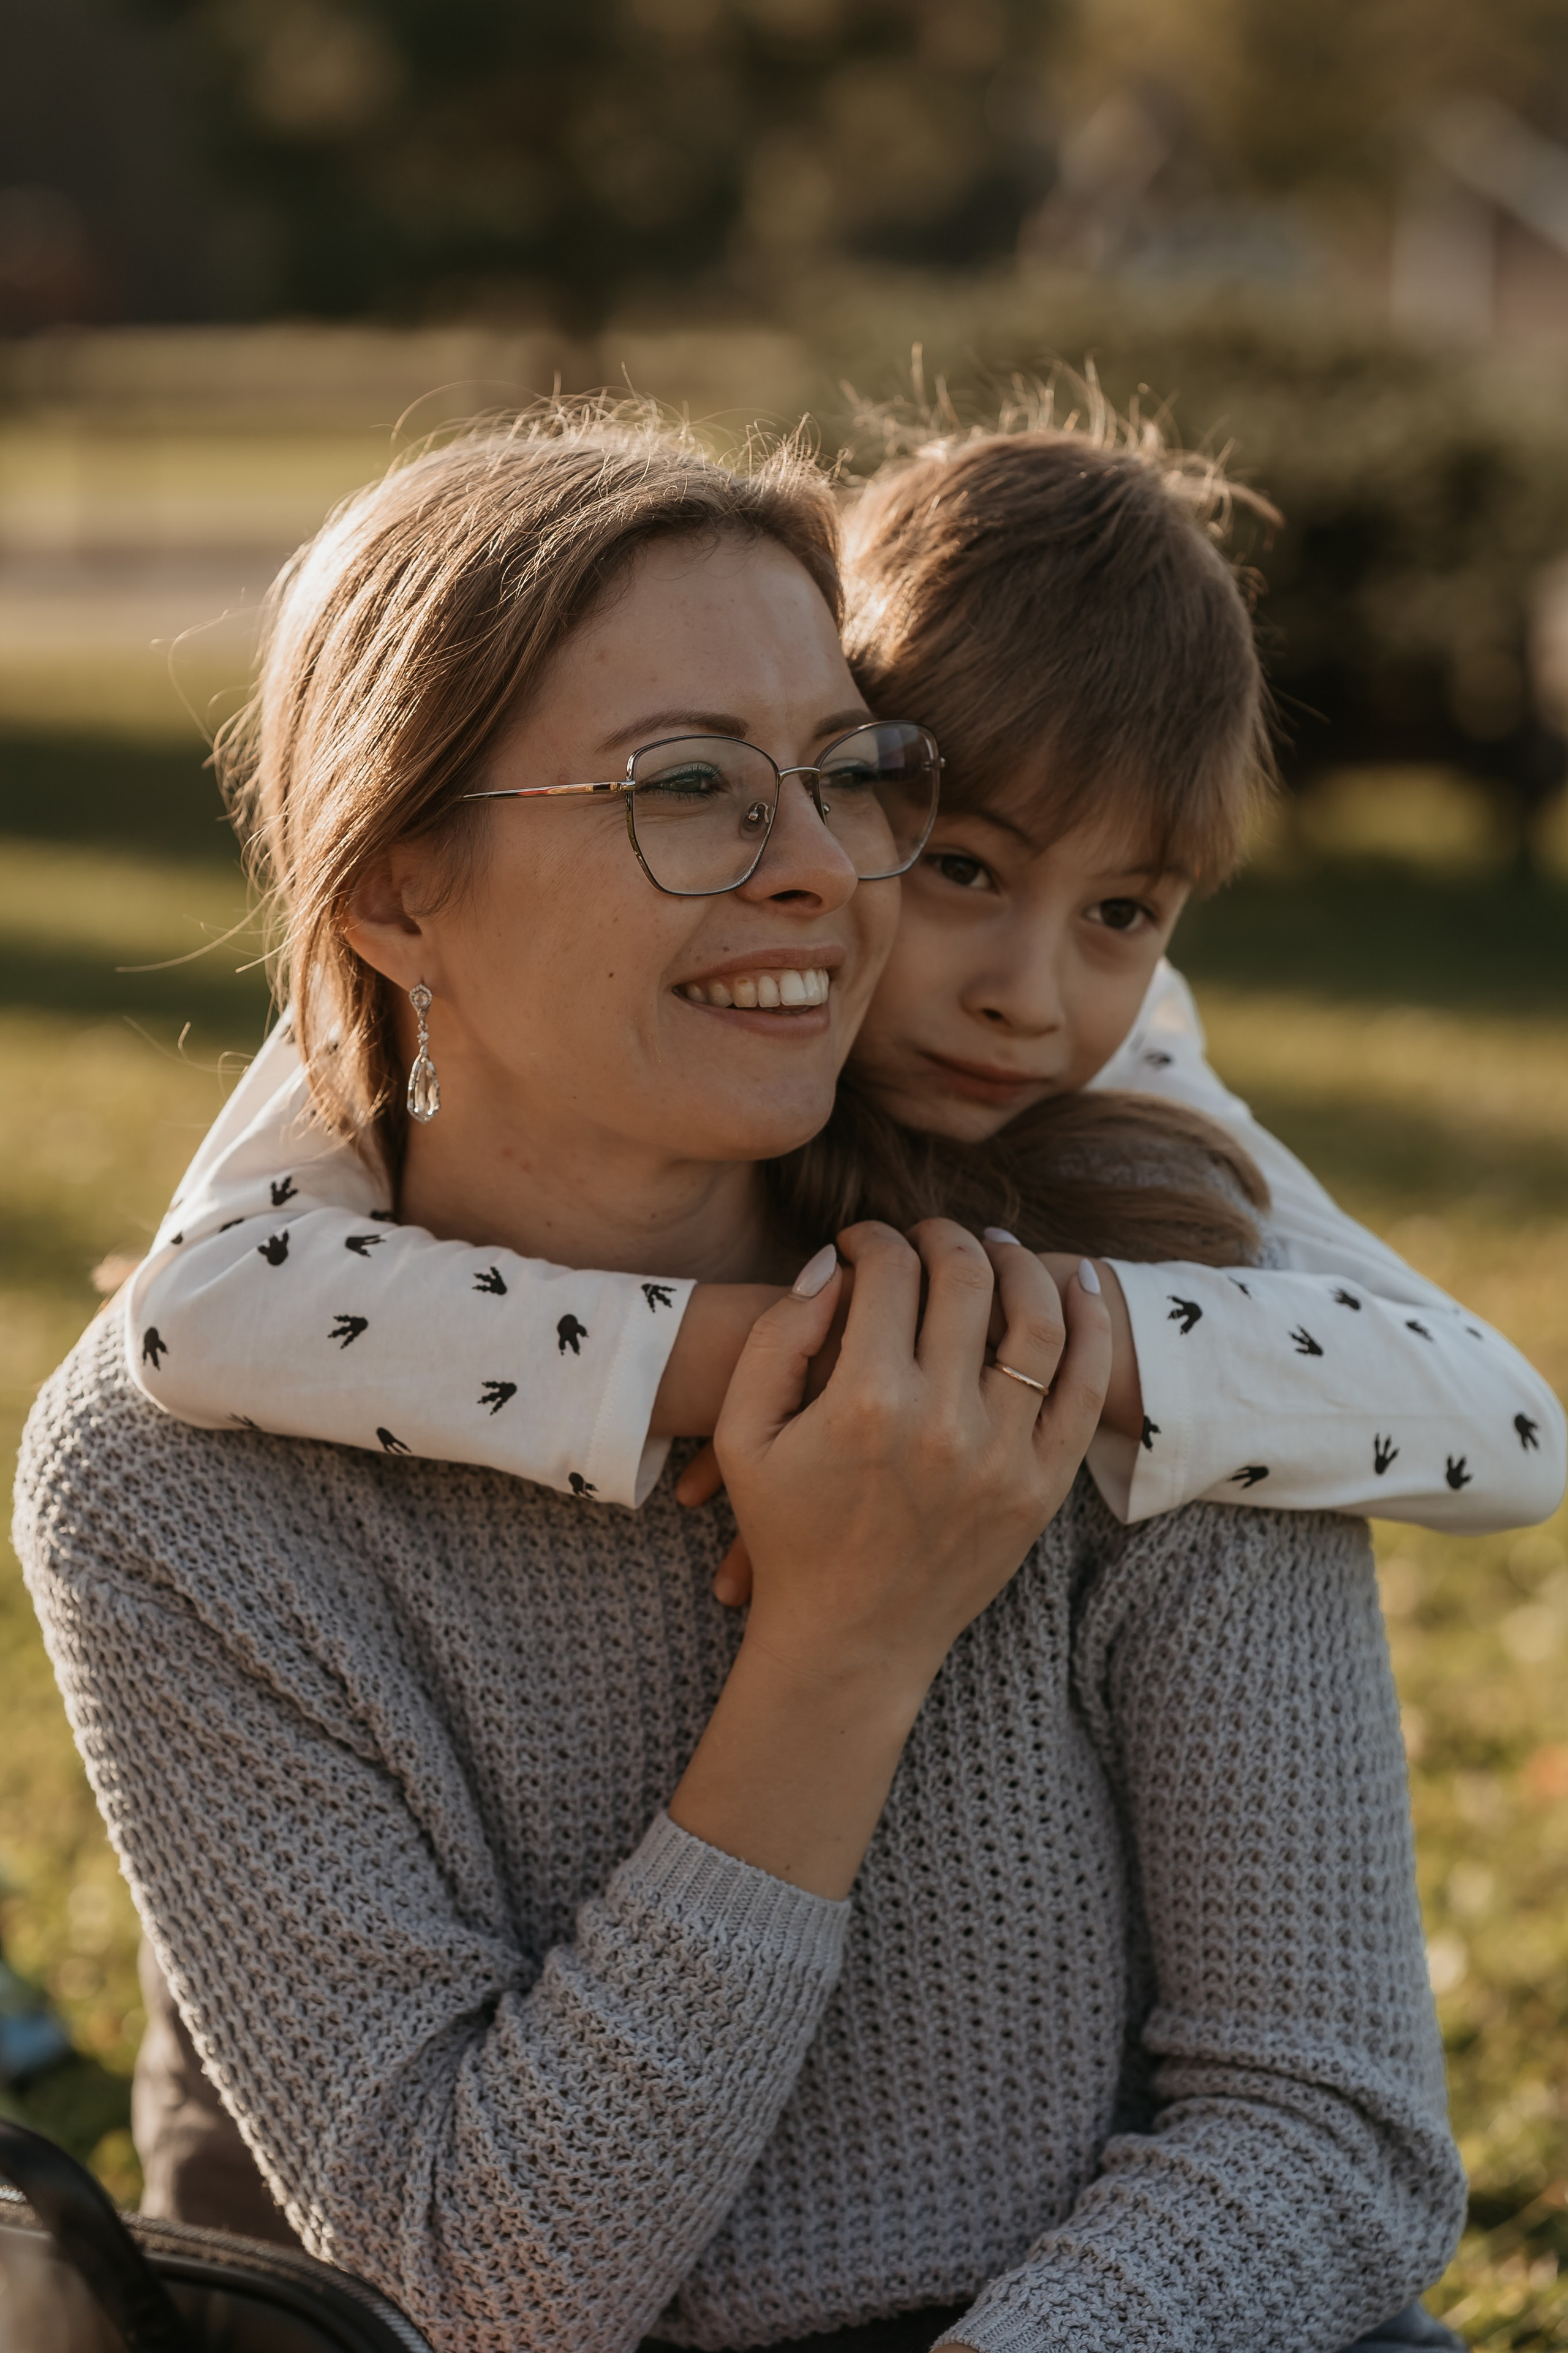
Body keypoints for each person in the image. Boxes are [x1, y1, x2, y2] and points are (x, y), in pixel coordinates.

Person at [16, 413, 1465, 2353]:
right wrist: (843, 1650)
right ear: (392, 890)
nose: (824, 875)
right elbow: (490, 2284)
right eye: (689, 787)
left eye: (850, 776)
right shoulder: (172, 1479)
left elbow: (1329, 2136)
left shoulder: (1153, 1316)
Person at [122, 415, 1564, 1543]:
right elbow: (201, 1308)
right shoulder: (404, 999)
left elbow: (1504, 1426)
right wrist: (787, 1354)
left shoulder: (1127, 1066)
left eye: (1122, 910)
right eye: (958, 866)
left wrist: (982, 1346)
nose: (1027, 995)